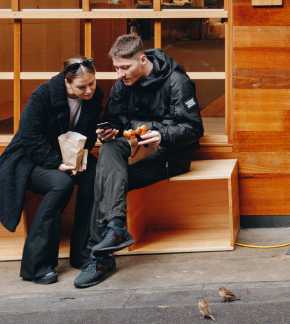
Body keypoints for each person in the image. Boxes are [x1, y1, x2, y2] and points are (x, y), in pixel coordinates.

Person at [73, 34, 204, 288]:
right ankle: (115, 229)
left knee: (107, 182)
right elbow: (115, 118)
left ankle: (99, 258)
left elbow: (194, 129)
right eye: (116, 68)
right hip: (135, 147)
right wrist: (109, 129)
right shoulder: (124, 83)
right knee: (109, 149)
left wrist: (163, 133)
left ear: (142, 60)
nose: (120, 74)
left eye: (125, 67)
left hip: (170, 154)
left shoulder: (177, 81)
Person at [0, 57, 103, 285]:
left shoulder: (95, 96)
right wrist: (56, 162)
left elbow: (89, 134)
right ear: (67, 82)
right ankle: (37, 264)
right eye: (82, 86)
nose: (89, 90)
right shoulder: (44, 94)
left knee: (94, 176)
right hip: (28, 158)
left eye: (92, 84)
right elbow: (28, 135)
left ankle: (83, 254)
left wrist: (81, 156)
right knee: (61, 184)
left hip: (70, 155)